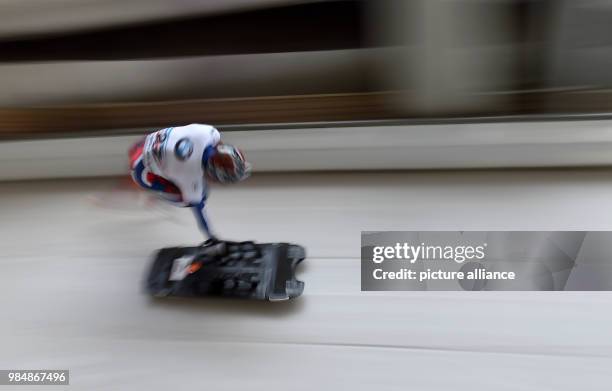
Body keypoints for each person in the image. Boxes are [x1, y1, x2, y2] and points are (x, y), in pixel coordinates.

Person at [128, 123, 251, 239]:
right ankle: (158, 196)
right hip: (142, 171)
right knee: (196, 196)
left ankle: (166, 172)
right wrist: (211, 237)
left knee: (193, 189)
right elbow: (199, 209)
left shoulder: (210, 132)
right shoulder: (190, 174)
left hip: (144, 142)